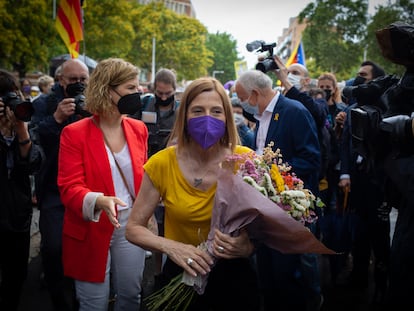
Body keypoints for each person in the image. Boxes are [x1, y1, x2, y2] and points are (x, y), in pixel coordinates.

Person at [125, 77, 260, 311]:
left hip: (234, 278)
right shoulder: (162, 163)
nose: (207, 118)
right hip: (181, 273)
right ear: (184, 115)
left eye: (216, 111)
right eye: (198, 110)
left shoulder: (247, 161)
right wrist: (172, 247)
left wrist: (249, 246)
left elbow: (267, 228)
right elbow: (133, 228)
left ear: (227, 117)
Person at [57, 57, 152, 310]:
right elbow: (69, 187)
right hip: (91, 226)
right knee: (93, 303)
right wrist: (98, 200)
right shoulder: (74, 133)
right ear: (107, 90)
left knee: (131, 296)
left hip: (130, 224)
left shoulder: (139, 129)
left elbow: (143, 177)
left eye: (138, 86)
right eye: (131, 88)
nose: (138, 92)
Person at [235, 69, 321, 311]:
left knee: (287, 277)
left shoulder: (294, 111)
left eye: (242, 98)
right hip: (264, 212)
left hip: (289, 210)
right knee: (267, 276)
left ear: (253, 94)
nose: (242, 104)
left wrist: (271, 175)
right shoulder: (261, 117)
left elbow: (311, 160)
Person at [32, 58, 90, 311]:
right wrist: (56, 118)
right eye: (72, 80)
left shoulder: (91, 102)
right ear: (60, 80)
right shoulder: (44, 103)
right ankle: (57, 296)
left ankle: (82, 295)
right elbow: (32, 137)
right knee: (54, 246)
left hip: (86, 187)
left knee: (84, 246)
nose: (78, 85)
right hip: (53, 188)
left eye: (83, 80)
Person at [339, 61, 389, 300]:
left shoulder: (386, 108)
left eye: (363, 76)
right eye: (356, 75)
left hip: (379, 184)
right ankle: (358, 277)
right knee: (358, 234)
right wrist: (345, 173)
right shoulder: (352, 108)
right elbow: (346, 143)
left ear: (375, 81)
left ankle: (382, 284)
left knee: (380, 238)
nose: (357, 80)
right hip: (356, 183)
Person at [0, 69, 43, 310]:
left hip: (17, 217)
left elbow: (34, 163)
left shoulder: (25, 121)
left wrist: (21, 130)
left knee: (15, 278)